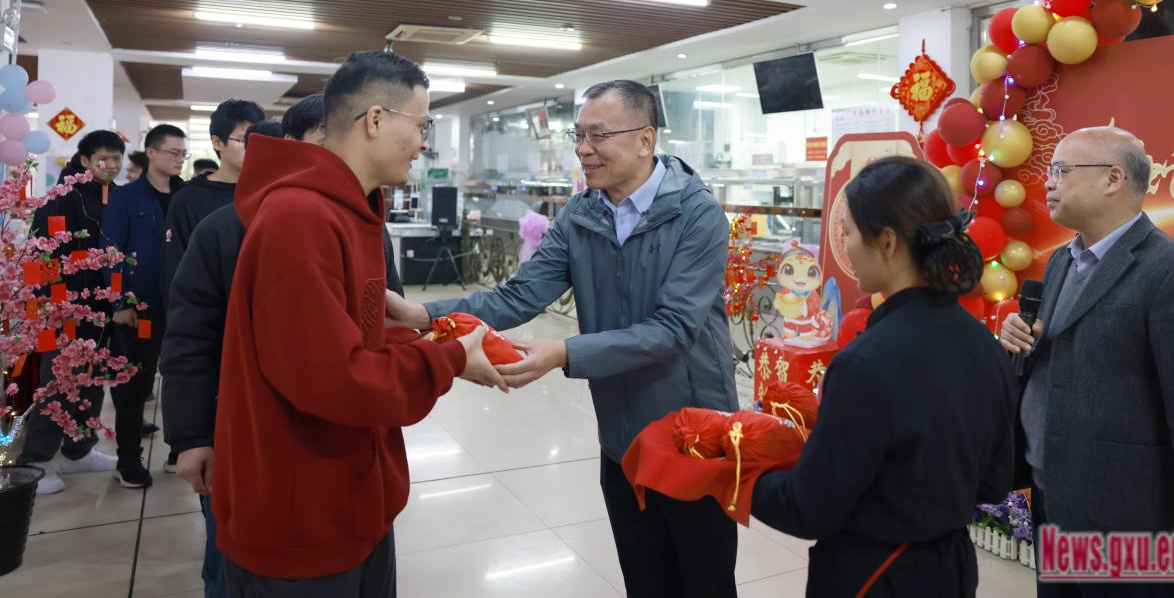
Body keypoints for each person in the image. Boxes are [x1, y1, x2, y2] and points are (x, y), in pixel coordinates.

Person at [418, 78, 740, 598]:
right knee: (645, 577)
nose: (583, 149)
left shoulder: (697, 214)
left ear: (646, 139)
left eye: (599, 135)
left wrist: (564, 353)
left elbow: (674, 329)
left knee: (704, 582)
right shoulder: (582, 213)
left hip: (693, 437)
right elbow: (519, 295)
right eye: (578, 135)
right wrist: (421, 314)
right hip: (621, 434)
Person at [213, 51, 503, 592]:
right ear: (374, 119)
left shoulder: (350, 211)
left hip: (349, 496)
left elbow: (349, 338)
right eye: (421, 125)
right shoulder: (301, 219)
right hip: (302, 520)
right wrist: (447, 359)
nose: (424, 143)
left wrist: (418, 332)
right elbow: (334, 378)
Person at [751, 156, 1017, 597]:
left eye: (849, 233)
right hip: (952, 570)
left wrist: (734, 473)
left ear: (887, 241)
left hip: (875, 576)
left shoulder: (864, 364)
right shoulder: (984, 345)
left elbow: (810, 509)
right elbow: (994, 480)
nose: (846, 246)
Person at [1000, 127, 1174, 597]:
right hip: (1053, 494)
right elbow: (1067, 353)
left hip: (1126, 511)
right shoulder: (1061, 261)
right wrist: (1021, 339)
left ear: (1113, 178)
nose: (1048, 182)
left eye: (1061, 171)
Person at [158, 99, 264, 475]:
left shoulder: (272, 194)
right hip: (214, 343)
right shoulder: (190, 200)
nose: (253, 148)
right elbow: (179, 288)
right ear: (217, 143)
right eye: (243, 139)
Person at [19, 130, 127, 495]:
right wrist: (50, 307)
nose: (111, 165)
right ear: (84, 160)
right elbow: (41, 254)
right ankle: (35, 461)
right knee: (58, 382)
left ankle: (78, 450)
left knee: (91, 380)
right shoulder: (61, 199)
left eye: (117, 158)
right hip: (63, 308)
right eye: (103, 158)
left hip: (101, 307)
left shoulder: (114, 196)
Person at [101, 123, 186, 488]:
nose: (180, 160)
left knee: (183, 379)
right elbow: (111, 253)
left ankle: (180, 450)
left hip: (182, 304)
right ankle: (128, 460)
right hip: (139, 308)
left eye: (183, 153)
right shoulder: (126, 198)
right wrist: (119, 302)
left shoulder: (186, 195)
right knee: (134, 387)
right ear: (151, 153)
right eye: (174, 152)